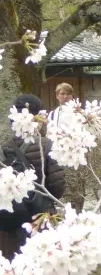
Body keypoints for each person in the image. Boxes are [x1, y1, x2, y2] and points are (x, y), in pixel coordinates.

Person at [0, 95, 65, 260]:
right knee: (45, 261)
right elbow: (57, 186)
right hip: (41, 216)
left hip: (11, 217)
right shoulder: (48, 145)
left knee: (13, 264)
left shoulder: (4, 148)